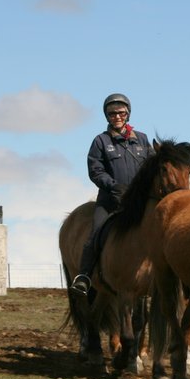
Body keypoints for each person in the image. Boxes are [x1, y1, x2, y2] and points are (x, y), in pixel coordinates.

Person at [71, 93, 153, 295]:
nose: (117, 116)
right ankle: (84, 276)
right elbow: (95, 171)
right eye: (112, 113)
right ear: (107, 116)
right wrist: (115, 187)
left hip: (139, 202)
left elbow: (152, 167)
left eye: (121, 113)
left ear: (128, 114)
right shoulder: (100, 141)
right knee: (95, 234)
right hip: (110, 200)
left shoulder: (142, 139)